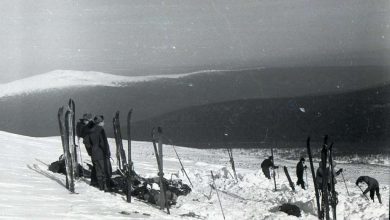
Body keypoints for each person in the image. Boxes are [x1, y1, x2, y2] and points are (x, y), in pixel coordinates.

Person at [88, 115, 112, 191]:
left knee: (98, 171)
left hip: (94, 154)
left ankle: (101, 187)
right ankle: (106, 187)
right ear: (100, 122)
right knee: (105, 170)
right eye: (103, 121)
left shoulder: (91, 130)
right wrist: (107, 153)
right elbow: (103, 142)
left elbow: (88, 142)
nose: (104, 122)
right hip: (101, 154)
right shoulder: (100, 130)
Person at [76, 113, 97, 186]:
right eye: (86, 120)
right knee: (95, 161)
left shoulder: (85, 125)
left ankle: (95, 179)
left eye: (87, 120)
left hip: (91, 144)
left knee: (95, 161)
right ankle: (95, 180)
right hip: (91, 145)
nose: (86, 121)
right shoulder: (83, 126)